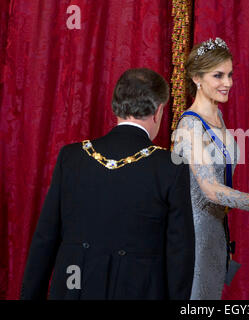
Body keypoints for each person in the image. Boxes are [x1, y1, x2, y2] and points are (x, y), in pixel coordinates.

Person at [21, 68, 195, 300]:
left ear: (116, 106)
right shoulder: (171, 166)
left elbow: (45, 239)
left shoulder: (71, 157)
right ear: (158, 111)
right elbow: (179, 254)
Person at [172, 37, 249, 300]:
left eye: (230, 74)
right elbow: (212, 191)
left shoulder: (217, 116)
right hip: (193, 236)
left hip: (217, 233)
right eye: (218, 75)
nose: (227, 82)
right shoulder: (190, 126)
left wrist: (225, 235)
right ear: (197, 78)